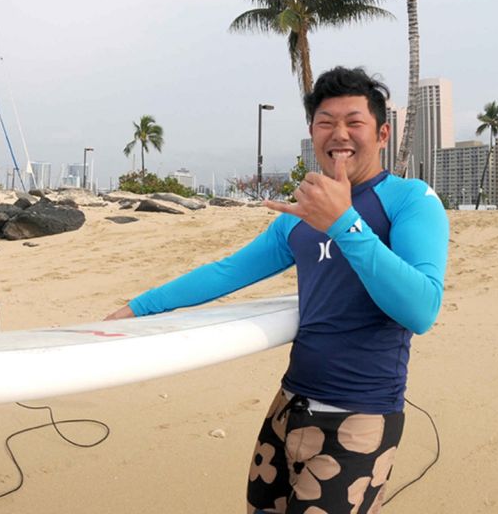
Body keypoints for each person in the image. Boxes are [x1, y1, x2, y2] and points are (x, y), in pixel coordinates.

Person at [105, 67, 449, 514]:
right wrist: (137, 308)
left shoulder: (411, 200)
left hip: (360, 418)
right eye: (326, 121)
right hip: (290, 406)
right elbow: (227, 272)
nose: (339, 133)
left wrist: (344, 222)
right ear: (312, 132)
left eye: (354, 121)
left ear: (382, 133)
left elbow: (421, 309)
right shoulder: (299, 217)